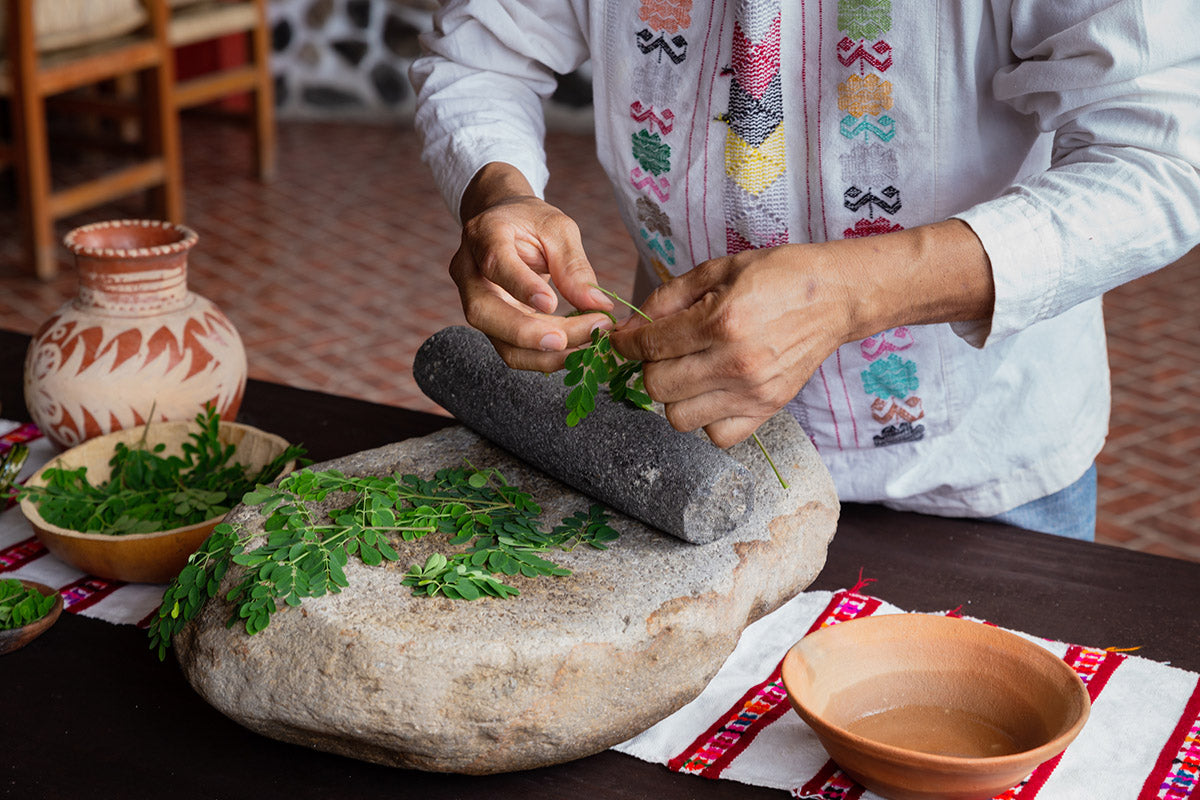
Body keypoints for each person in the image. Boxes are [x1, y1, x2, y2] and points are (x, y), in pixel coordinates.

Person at [410, 0, 1200, 540]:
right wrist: (497, 190)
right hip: (686, 455)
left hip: (978, 472)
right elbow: (480, 54)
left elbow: (1164, 156)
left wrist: (854, 293)